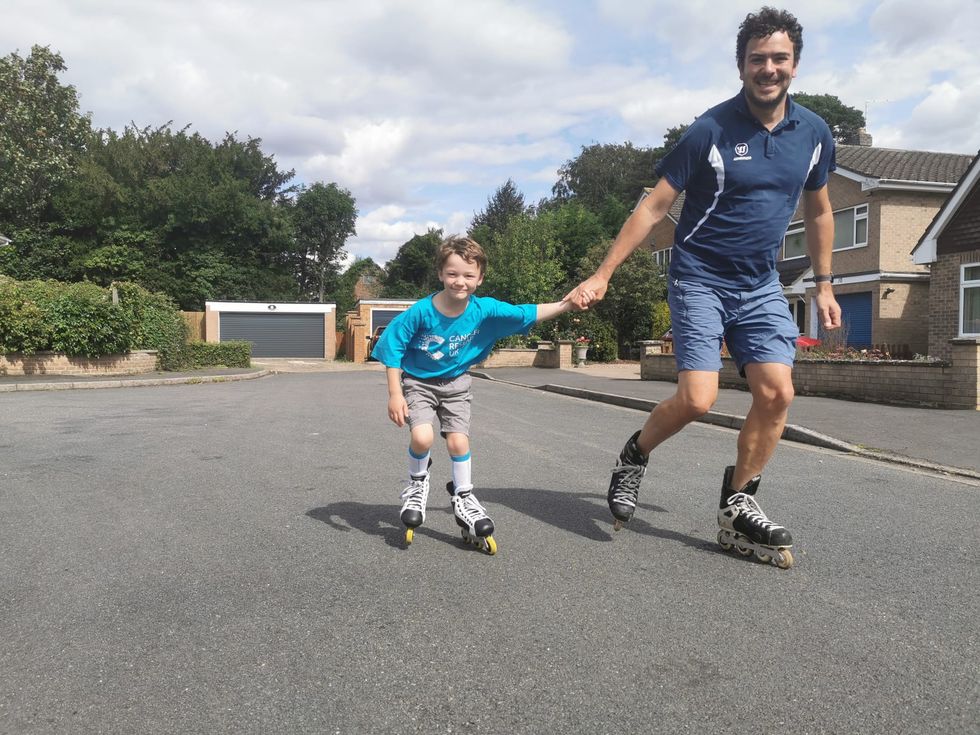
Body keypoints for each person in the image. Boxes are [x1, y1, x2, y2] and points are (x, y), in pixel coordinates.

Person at [567, 7, 841, 569]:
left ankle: (738, 504)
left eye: (779, 58)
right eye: (757, 59)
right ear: (740, 66)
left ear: (795, 63)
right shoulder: (710, 130)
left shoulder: (813, 133)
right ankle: (634, 454)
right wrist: (603, 272)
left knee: (777, 393)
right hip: (699, 277)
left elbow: (819, 212)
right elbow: (654, 206)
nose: (769, 68)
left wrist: (826, 284)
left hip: (762, 282)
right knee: (698, 398)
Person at [372, 235, 580, 555]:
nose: (460, 281)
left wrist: (567, 304)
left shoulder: (484, 311)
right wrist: (394, 394)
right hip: (418, 383)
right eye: (452, 274)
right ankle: (417, 484)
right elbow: (393, 347)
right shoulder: (421, 312)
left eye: (469, 275)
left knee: (458, 442)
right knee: (423, 438)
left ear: (480, 278)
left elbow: (526, 313)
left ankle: (464, 496)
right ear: (440, 274)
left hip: (457, 384)